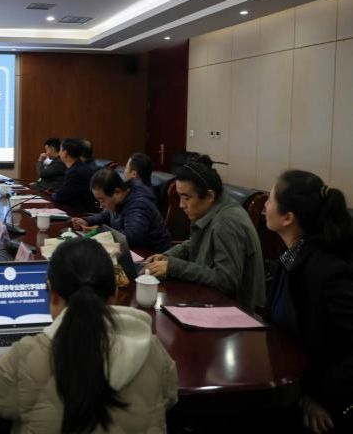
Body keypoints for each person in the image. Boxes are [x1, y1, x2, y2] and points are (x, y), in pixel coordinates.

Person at [0, 237, 178, 434]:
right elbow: (169, 398)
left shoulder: (30, 356)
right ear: (115, 294)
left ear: (53, 295)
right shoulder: (152, 349)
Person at [264, 170, 353, 434]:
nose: (265, 205)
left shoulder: (326, 270)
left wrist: (320, 398)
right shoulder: (290, 255)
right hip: (289, 386)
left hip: (319, 403)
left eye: (270, 200)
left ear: (288, 218)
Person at [142, 154, 265, 311]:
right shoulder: (210, 209)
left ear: (210, 196)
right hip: (210, 300)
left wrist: (174, 267)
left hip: (236, 312)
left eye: (186, 198)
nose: (181, 205)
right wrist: (168, 257)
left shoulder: (226, 222)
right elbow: (193, 243)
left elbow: (226, 280)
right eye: (180, 197)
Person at [72, 168, 170, 252]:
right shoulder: (121, 196)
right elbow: (107, 214)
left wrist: (101, 232)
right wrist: (87, 221)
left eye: (102, 200)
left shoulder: (139, 204)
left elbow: (132, 238)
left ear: (117, 192)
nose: (101, 205)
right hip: (131, 250)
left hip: (151, 255)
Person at [51, 138, 95, 212]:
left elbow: (60, 196)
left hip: (80, 213)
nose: (59, 153)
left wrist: (53, 195)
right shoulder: (80, 167)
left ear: (65, 153)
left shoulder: (75, 172)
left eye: (60, 150)